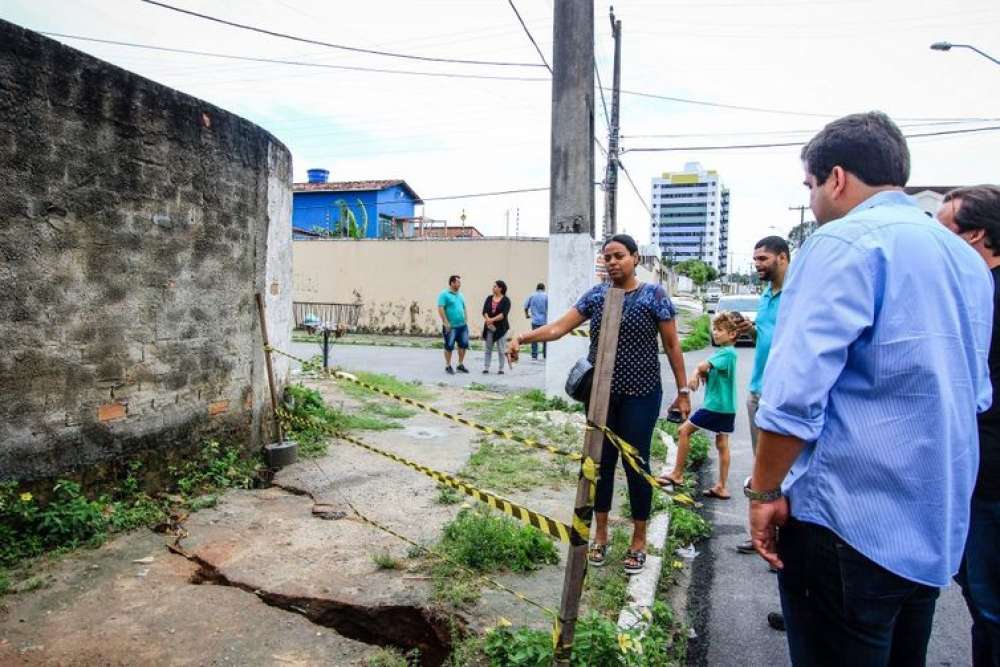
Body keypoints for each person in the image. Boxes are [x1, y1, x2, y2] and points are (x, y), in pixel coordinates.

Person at [748, 111, 993, 666]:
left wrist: (763, 492)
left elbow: (792, 399)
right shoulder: (966, 261)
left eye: (810, 187)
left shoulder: (840, 244)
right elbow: (974, 392)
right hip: (932, 524)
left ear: (836, 178)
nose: (812, 201)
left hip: (846, 524)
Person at [507, 234, 690, 574]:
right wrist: (521, 336)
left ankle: (639, 539)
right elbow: (559, 328)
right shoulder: (596, 296)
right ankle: (601, 535)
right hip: (600, 395)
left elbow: (672, 346)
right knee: (600, 465)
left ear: (635, 258)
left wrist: (683, 391)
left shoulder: (654, 296)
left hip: (641, 393)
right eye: (606, 257)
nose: (611, 262)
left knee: (637, 465)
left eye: (619, 256)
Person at [937, 184, 1000, 667]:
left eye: (945, 229)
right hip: (977, 473)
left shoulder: (983, 298)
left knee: (989, 602)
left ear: (976, 234)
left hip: (990, 479)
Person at [736, 236, 790, 558]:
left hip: (782, 394)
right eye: (755, 260)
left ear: (782, 258)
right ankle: (761, 535)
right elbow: (767, 335)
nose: (757, 265)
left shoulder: (797, 294)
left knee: (784, 471)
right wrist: (750, 329)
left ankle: (784, 542)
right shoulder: (767, 295)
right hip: (757, 391)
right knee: (761, 469)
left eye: (763, 259)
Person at [658, 311, 743, 500]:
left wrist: (696, 373)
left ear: (732, 335)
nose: (716, 333)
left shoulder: (727, 353)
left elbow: (703, 366)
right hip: (727, 407)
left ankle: (677, 474)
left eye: (720, 330)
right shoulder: (725, 353)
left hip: (715, 406)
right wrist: (700, 373)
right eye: (714, 329)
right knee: (722, 443)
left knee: (683, 431)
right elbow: (708, 368)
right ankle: (721, 486)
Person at [436, 275, 470, 375]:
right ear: (452, 283)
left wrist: (466, 319)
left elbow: (464, 307)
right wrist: (446, 322)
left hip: (462, 326)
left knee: (463, 345)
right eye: (457, 282)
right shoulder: (444, 294)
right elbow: (441, 308)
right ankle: (448, 365)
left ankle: (460, 364)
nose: (459, 284)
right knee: (449, 346)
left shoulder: (461, 295)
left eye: (459, 282)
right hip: (451, 326)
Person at [482, 280, 511, 374]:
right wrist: (488, 320)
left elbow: (503, 314)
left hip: (501, 328)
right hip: (489, 327)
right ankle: (486, 367)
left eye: (495, 286)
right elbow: (484, 311)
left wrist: (492, 319)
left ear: (500, 288)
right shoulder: (489, 298)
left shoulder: (506, 300)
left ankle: (501, 368)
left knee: (501, 349)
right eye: (493, 286)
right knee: (488, 348)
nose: (493, 288)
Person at [523, 283, 549, 360]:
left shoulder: (532, 296)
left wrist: (527, 315)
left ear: (536, 288)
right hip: (544, 321)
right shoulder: (546, 296)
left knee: (534, 338)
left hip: (535, 321)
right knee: (545, 338)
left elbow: (525, 306)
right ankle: (545, 355)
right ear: (544, 288)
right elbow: (549, 307)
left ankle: (534, 355)